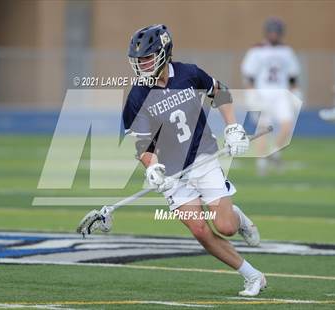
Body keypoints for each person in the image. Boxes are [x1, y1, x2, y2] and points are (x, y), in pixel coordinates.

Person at [123, 24, 266, 296]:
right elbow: (142, 143)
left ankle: (236, 216)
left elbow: (220, 91)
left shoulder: (188, 73)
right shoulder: (137, 95)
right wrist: (152, 168)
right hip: (173, 171)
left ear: (164, 53)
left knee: (226, 227)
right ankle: (252, 276)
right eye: (138, 60)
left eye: (147, 58)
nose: (142, 65)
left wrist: (233, 127)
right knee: (200, 230)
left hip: (203, 155)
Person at [241, 17, 301, 176]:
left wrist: (295, 92)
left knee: (287, 124)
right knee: (263, 128)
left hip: (281, 93)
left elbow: (293, 77)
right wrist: (251, 93)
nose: (274, 34)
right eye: (272, 31)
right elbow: (249, 76)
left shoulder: (287, 51)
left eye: (276, 32)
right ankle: (261, 161)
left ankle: (274, 152)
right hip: (262, 92)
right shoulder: (256, 50)